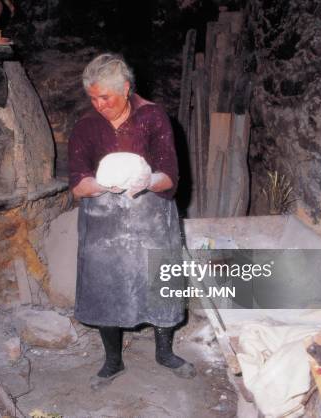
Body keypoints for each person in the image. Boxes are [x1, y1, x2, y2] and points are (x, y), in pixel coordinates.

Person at [68, 53, 196, 390]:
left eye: (105, 97)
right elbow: (78, 183)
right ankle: (112, 361)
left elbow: (171, 175)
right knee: (105, 284)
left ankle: (165, 353)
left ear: (125, 89)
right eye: (92, 98)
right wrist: (98, 185)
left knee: (158, 280)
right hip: (103, 221)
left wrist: (146, 180)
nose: (98, 104)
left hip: (150, 215)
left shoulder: (153, 118)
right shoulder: (86, 127)